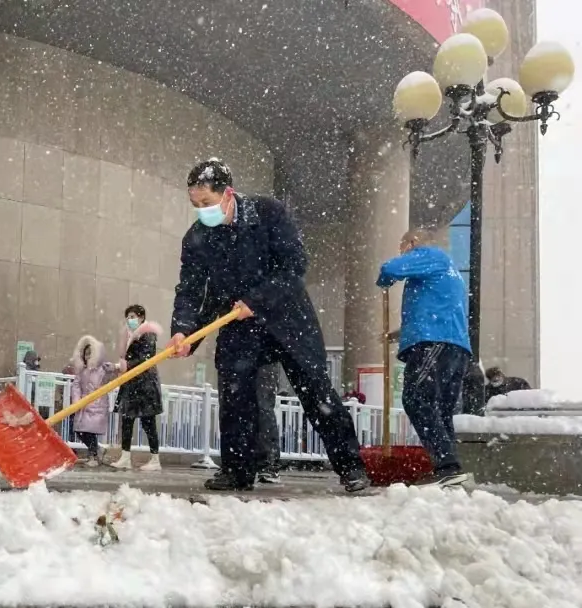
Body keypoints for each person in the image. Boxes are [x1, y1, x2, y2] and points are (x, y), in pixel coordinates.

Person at [169, 158, 368, 493]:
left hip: (287, 317)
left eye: (207, 203)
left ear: (228, 194)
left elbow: (294, 265)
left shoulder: (267, 213)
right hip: (235, 321)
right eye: (195, 205)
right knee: (236, 397)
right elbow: (190, 289)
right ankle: (238, 470)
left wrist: (257, 301)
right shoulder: (197, 239)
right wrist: (183, 330)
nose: (202, 211)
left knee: (315, 391)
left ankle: (351, 467)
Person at [378, 229, 471, 487]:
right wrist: (400, 334)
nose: (402, 252)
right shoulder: (447, 270)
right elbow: (438, 310)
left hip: (434, 344)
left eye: (403, 247)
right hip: (453, 346)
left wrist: (384, 277)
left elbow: (391, 268)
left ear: (414, 243)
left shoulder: (430, 254)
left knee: (416, 397)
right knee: (440, 411)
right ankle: (449, 468)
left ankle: (447, 466)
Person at [110, 305, 163, 472]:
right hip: (132, 383)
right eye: (127, 317)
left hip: (145, 384)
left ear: (141, 317)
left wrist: (123, 365)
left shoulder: (148, 334)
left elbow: (144, 359)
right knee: (126, 420)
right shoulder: (128, 335)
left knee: (148, 423)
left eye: (132, 316)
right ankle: (125, 457)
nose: (129, 320)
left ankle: (155, 459)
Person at [69, 334, 114, 467]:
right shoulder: (81, 370)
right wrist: (77, 401)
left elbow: (110, 379)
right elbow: (76, 386)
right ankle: (97, 451)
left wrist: (111, 369)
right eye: (85, 353)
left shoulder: (101, 370)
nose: (88, 356)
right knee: (79, 430)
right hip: (83, 406)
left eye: (90, 353)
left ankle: (94, 455)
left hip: (97, 405)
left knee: (89, 431)